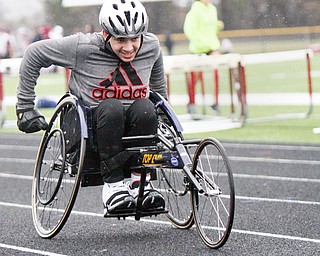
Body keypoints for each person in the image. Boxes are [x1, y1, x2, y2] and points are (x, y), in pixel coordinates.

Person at [16, 0, 167, 216]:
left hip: (136, 128)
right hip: (93, 128)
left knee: (145, 107)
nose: (129, 47)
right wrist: (25, 106)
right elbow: (33, 53)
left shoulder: (151, 46)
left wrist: (163, 117)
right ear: (106, 35)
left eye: (135, 39)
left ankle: (140, 183)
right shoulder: (83, 47)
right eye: (120, 39)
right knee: (112, 108)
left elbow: (158, 88)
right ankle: (114, 188)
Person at [183, 0, 224, 117]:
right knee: (195, 77)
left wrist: (218, 26)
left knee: (216, 74)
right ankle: (191, 103)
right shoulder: (195, 10)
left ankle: (215, 103)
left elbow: (210, 28)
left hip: (213, 48)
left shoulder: (212, 9)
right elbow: (189, 30)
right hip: (198, 49)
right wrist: (203, 44)